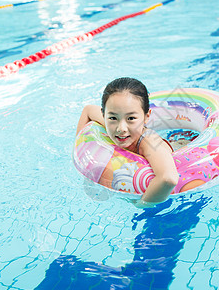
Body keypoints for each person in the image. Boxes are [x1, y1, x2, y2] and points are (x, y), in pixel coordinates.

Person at [76, 77, 179, 207]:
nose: (121, 129)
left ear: (147, 116)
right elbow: (88, 110)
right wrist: (79, 148)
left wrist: (142, 204)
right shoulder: (111, 124)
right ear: (104, 115)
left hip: (177, 147)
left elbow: (168, 178)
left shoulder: (148, 142)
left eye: (131, 118)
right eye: (113, 117)